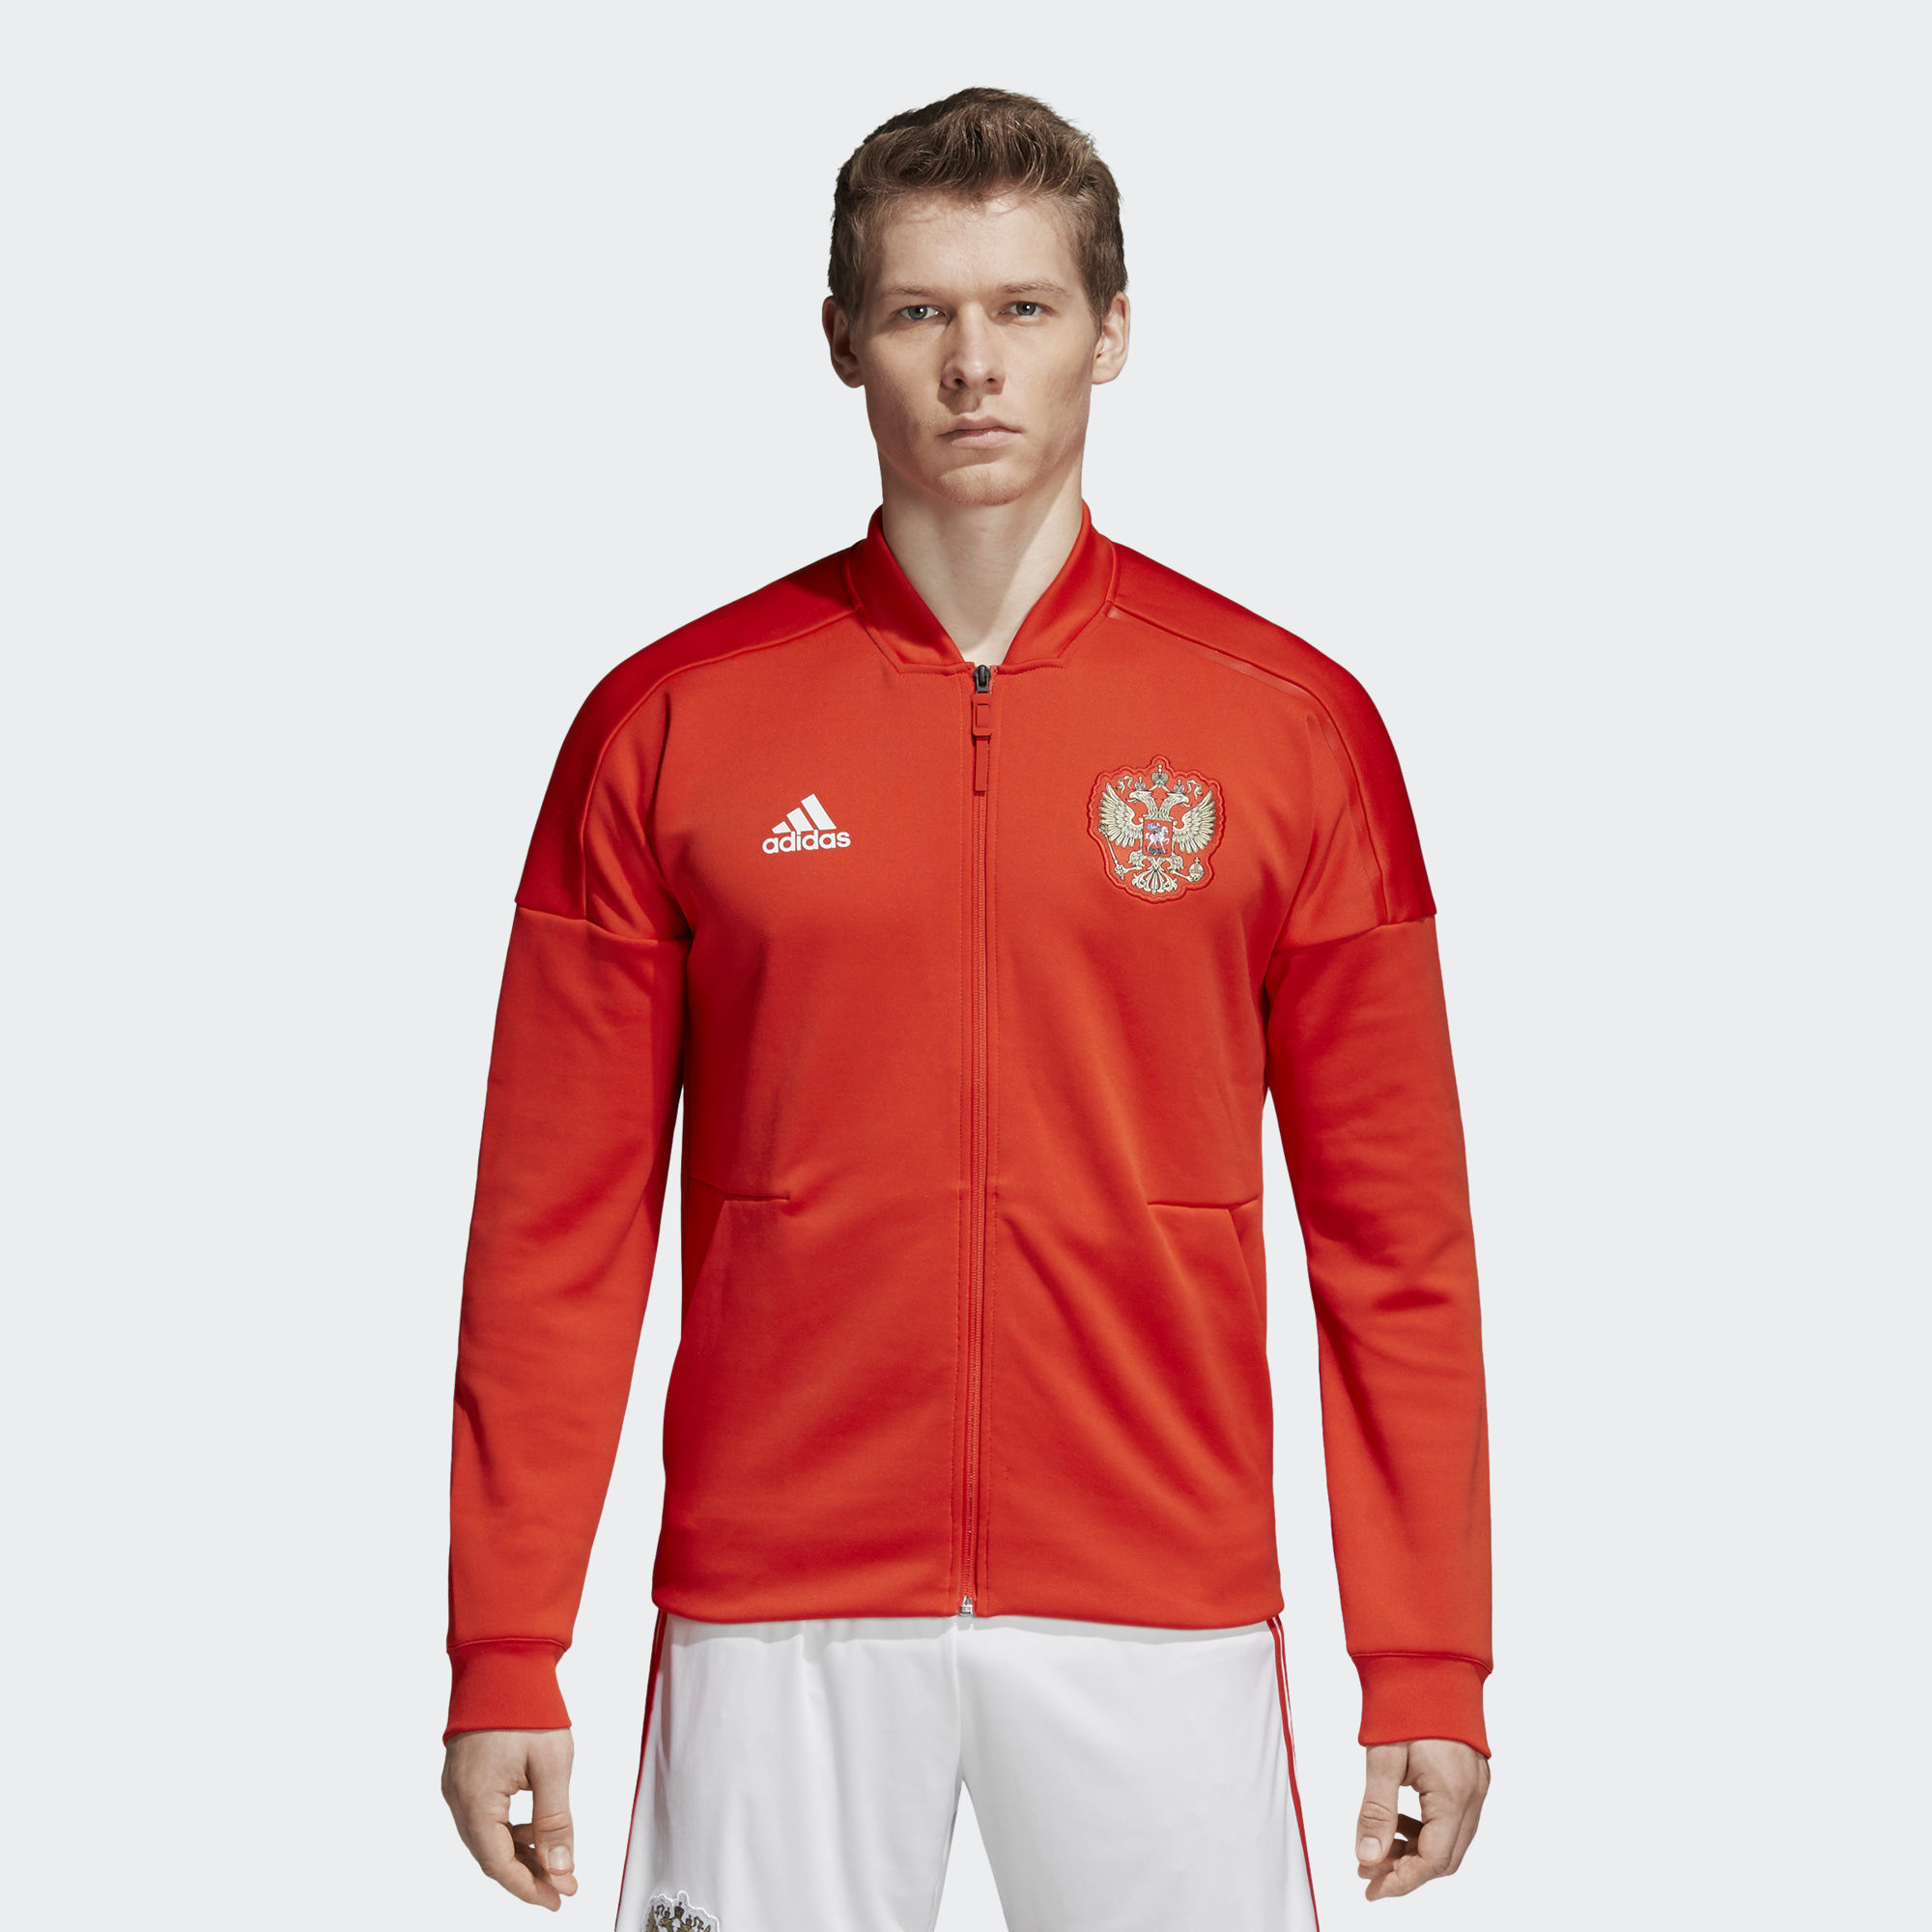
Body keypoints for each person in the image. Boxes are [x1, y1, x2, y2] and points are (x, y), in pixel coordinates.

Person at [440, 85, 1492, 1930]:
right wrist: (504, 1645)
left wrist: (1426, 1658)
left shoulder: (1290, 729)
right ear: (840, 338)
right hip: (776, 1606)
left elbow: (1394, 1239)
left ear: (1114, 331)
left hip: (1159, 1604)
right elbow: (554, 1226)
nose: (975, 365)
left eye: (1025, 307)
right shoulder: (670, 724)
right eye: (922, 309)